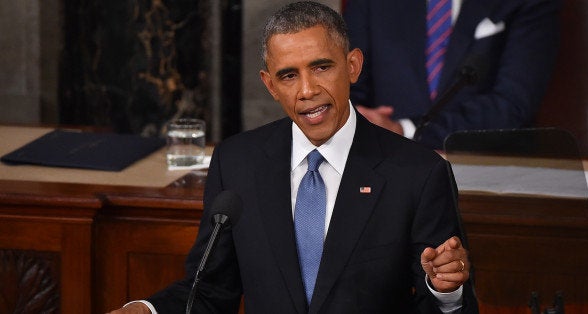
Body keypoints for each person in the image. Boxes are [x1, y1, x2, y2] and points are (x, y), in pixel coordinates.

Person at [108, 1, 478, 313]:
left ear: (352, 66)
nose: (307, 91)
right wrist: (148, 310)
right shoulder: (237, 163)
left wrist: (446, 292)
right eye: (288, 75)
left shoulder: (419, 174)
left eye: (321, 67)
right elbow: (209, 291)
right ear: (270, 85)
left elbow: (447, 298)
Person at [342, 0, 561, 150]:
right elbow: (348, 86)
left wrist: (406, 130)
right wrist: (361, 123)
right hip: (384, 168)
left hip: (484, 170)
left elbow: (513, 103)